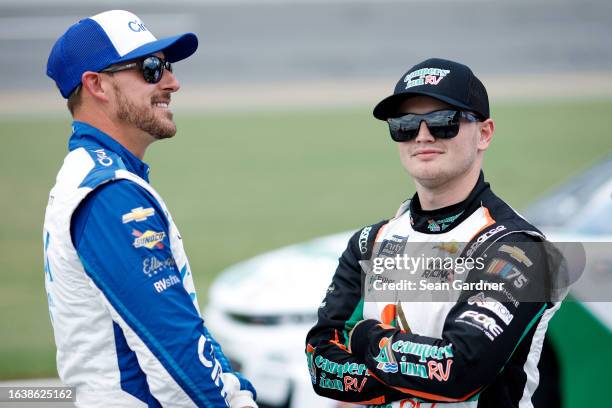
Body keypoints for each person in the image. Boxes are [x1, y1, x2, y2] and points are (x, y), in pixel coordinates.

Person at [306, 58, 564, 407]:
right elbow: (321, 364)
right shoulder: (370, 243)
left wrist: (366, 340)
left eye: (445, 122)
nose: (422, 135)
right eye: (405, 124)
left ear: (484, 133)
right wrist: (410, 367)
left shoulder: (521, 248)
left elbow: (459, 371)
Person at [43, 10, 257, 408]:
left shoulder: (98, 176)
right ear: (97, 85)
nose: (172, 83)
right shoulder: (109, 193)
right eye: (151, 68)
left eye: (167, 67)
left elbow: (180, 332)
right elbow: (174, 352)